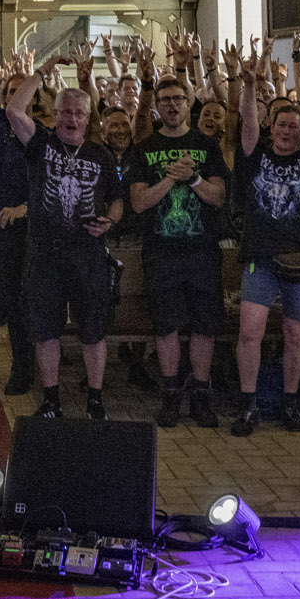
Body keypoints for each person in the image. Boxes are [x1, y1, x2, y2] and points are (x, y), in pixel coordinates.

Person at [5, 48, 125, 420]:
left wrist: (110, 220)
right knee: (46, 331)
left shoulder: (101, 155)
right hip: (45, 253)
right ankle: (52, 399)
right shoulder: (41, 145)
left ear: (89, 119)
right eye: (65, 112)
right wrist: (44, 69)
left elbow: (118, 200)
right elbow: (13, 110)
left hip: (88, 253)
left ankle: (95, 398)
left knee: (92, 330)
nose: (71, 118)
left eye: (78, 113)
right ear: (55, 116)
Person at [230, 23, 300, 435]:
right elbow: (248, 126)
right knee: (249, 330)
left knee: (294, 333)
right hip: (261, 256)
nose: (286, 131)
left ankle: (290, 402)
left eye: (294, 126)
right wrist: (251, 87)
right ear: (272, 127)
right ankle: (248, 404)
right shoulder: (254, 154)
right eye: (281, 125)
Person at [129, 77, 230, 430]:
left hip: (201, 251)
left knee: (204, 326)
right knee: (166, 326)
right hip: (161, 253)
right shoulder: (144, 148)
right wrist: (172, 179)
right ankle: (171, 394)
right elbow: (139, 203)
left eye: (179, 98)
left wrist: (195, 179)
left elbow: (218, 197)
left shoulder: (207, 146)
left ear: (190, 103)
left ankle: (200, 395)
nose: (173, 105)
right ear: (157, 105)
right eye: (166, 99)